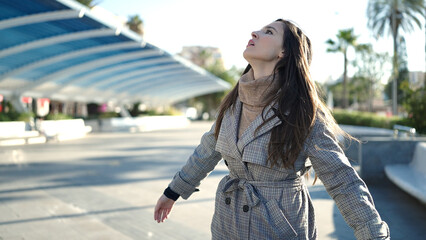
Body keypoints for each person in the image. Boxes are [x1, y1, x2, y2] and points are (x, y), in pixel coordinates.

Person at [154, 19, 390, 239]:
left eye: (269, 32)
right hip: (227, 223)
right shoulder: (233, 104)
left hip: (277, 226)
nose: (254, 32)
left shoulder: (303, 112)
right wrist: (173, 192)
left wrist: (374, 234)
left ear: (284, 52)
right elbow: (206, 151)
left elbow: (342, 179)